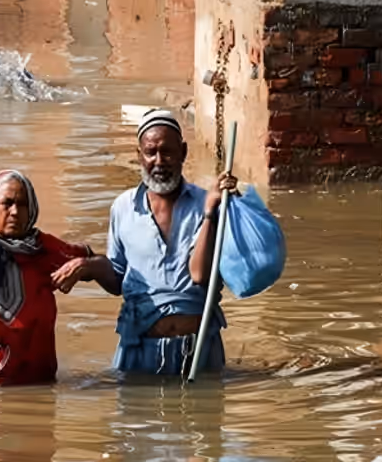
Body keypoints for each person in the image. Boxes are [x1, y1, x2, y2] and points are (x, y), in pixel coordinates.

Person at [50, 109, 240, 376]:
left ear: (184, 152)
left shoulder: (208, 203)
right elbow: (118, 278)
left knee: (202, 415)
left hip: (199, 354)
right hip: (139, 354)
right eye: (150, 152)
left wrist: (231, 207)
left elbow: (208, 274)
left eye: (168, 152)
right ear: (139, 155)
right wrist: (89, 267)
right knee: (134, 416)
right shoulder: (122, 208)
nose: (159, 161)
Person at [0, 170, 99, 386]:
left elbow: (102, 265)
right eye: (7, 203)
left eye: (22, 205)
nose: (14, 212)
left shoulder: (44, 250)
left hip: (40, 388)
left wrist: (83, 265)